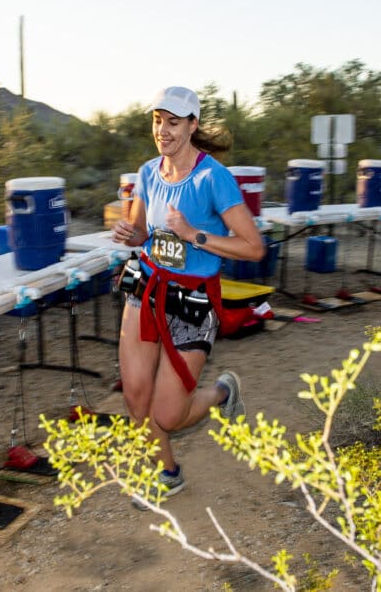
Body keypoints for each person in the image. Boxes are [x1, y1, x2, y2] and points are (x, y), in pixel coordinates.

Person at [110, 86, 265, 506]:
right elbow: (141, 232)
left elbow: (253, 247)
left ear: (193, 125)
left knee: (167, 414)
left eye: (174, 122)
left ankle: (221, 394)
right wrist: (130, 233)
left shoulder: (214, 178)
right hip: (145, 288)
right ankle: (168, 471)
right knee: (135, 394)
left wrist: (194, 235)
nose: (163, 131)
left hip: (192, 302)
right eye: (158, 121)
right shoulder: (147, 172)